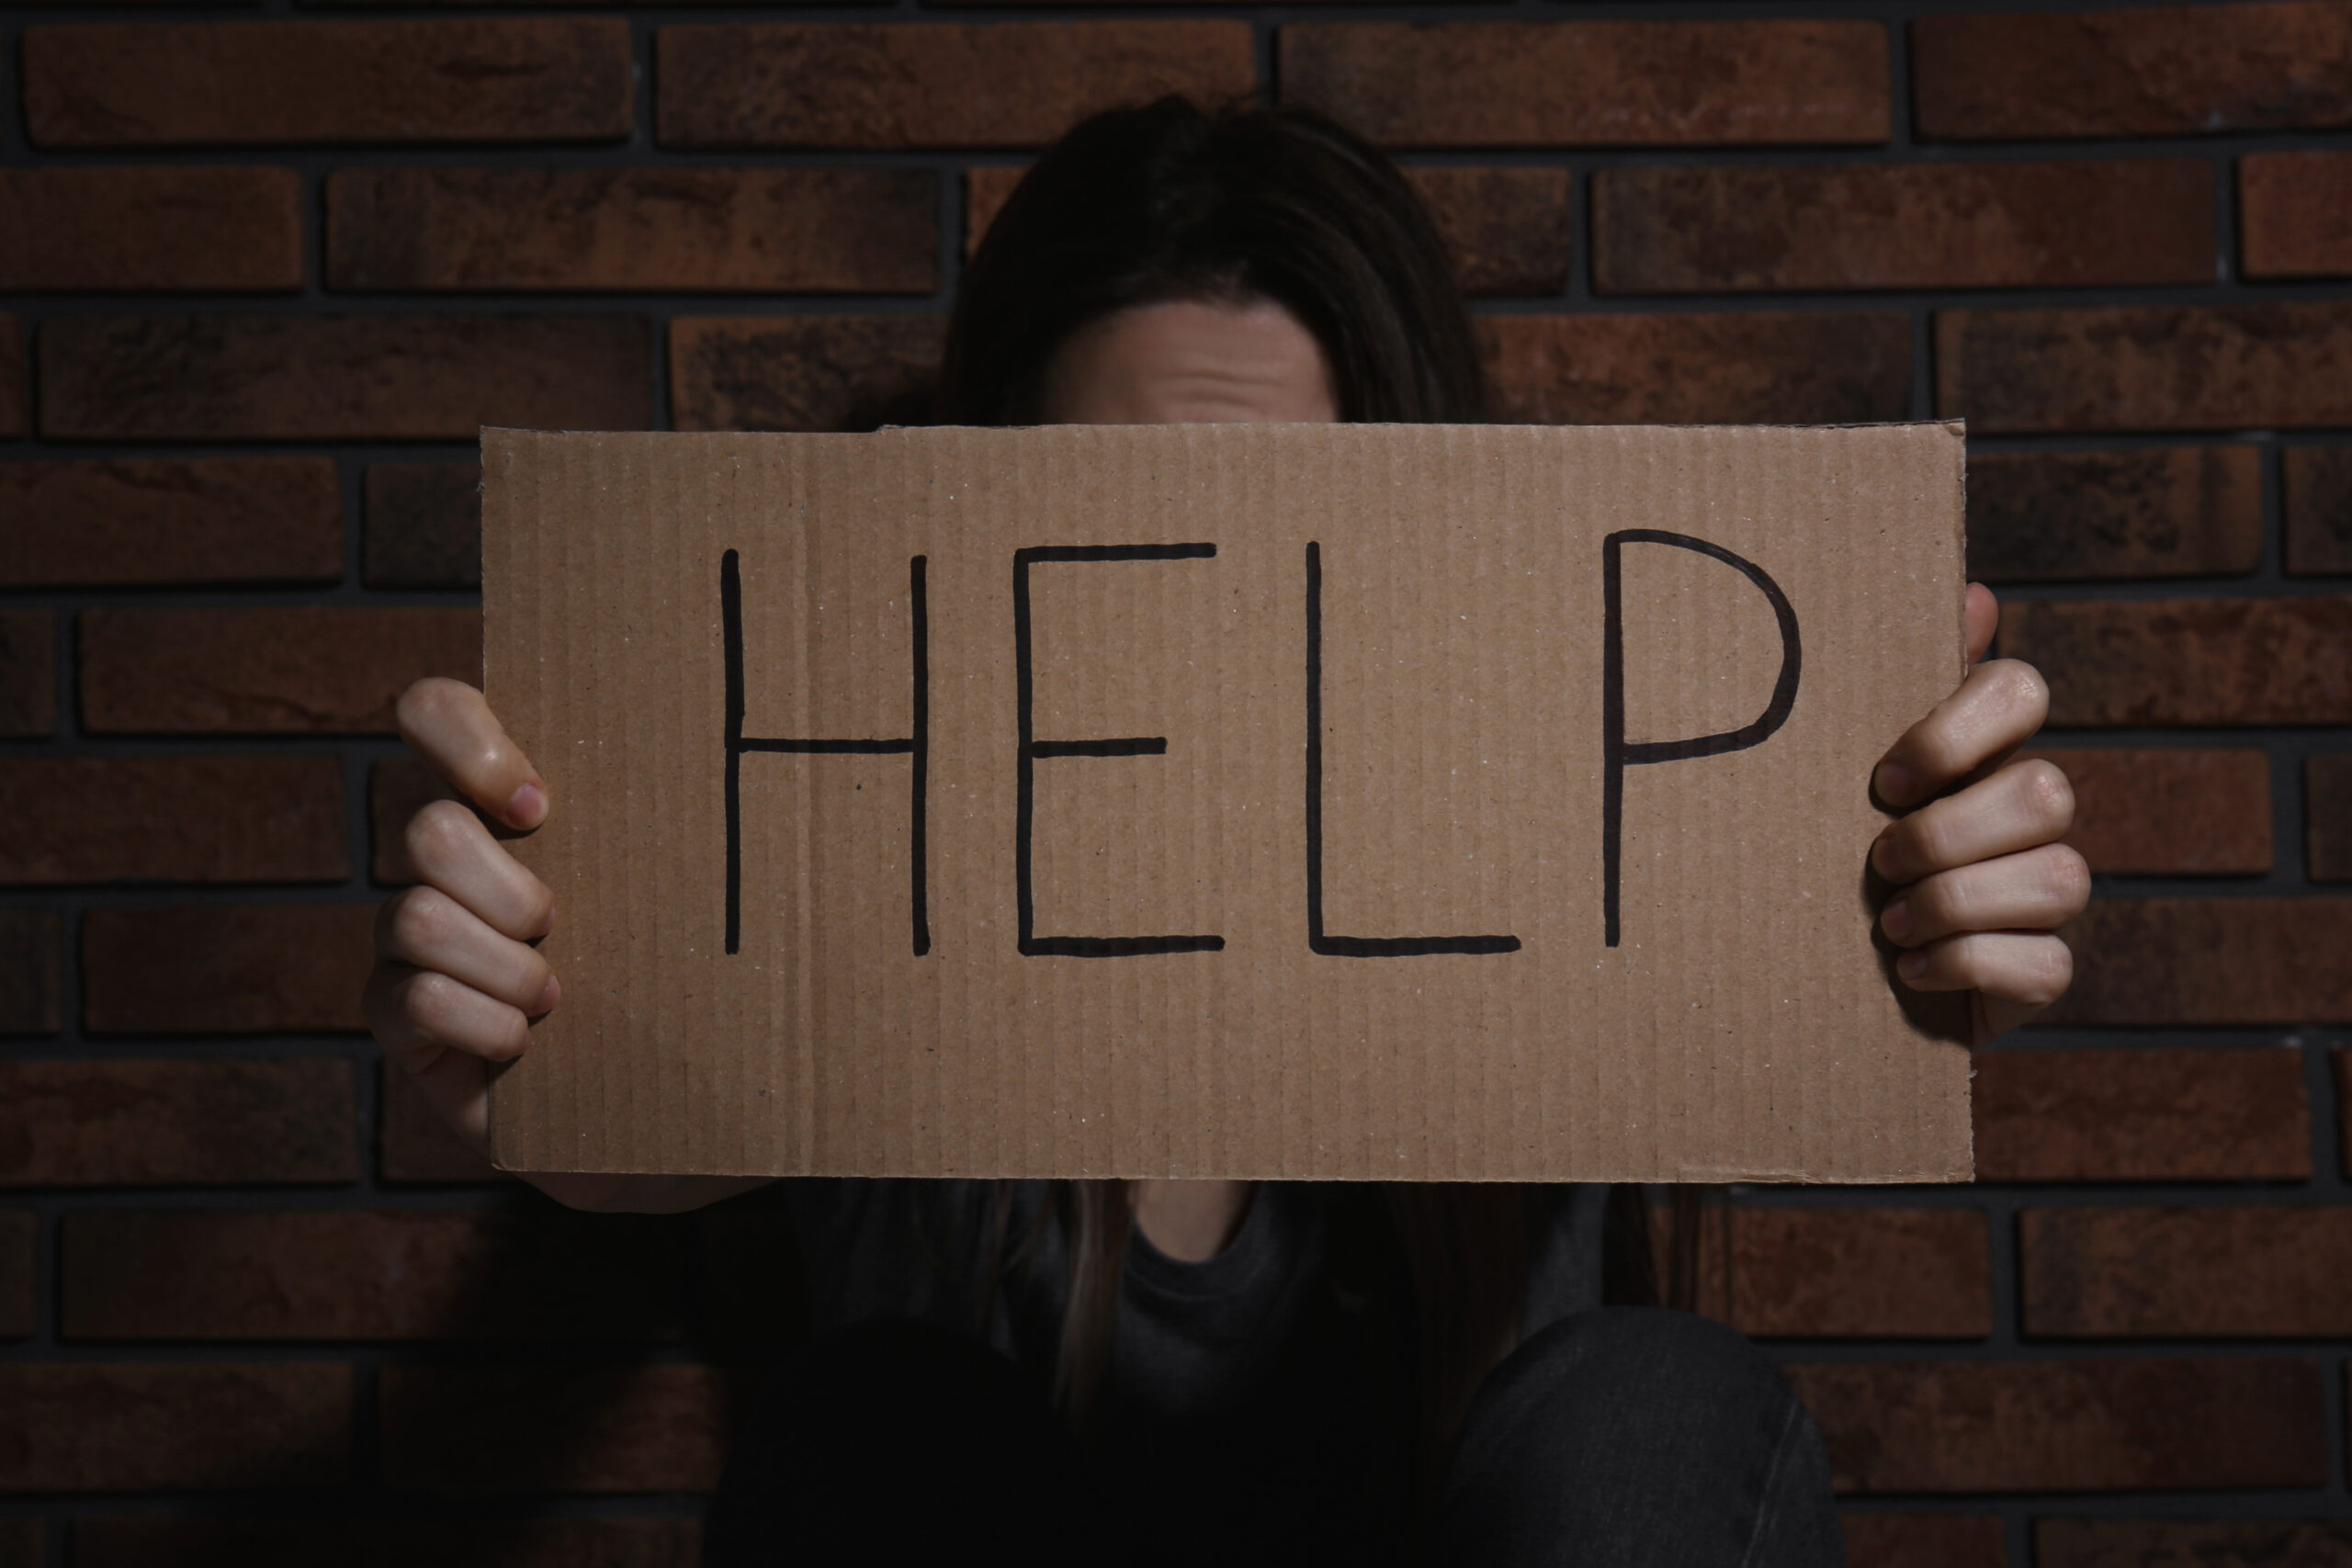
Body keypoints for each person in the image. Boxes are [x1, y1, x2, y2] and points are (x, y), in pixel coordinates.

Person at [363, 99, 2087, 1566]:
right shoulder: (878, 881)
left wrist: (1902, 910)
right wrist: (575, 1056)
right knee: (873, 1420)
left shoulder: (1561, 858)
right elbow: (688, 1121)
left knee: (1663, 1408)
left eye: (1286, 531)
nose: (1204, 623)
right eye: (1111, 525)